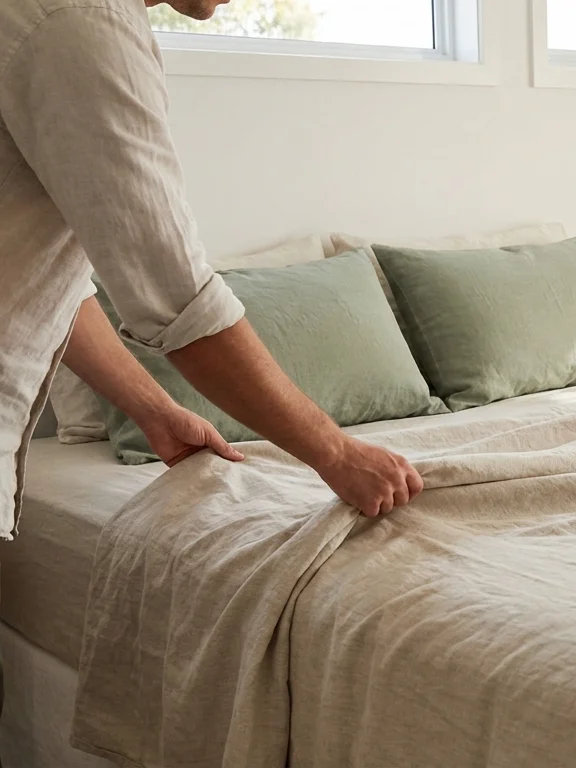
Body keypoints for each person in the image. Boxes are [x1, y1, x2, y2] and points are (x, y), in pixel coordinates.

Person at [0, 0, 425, 538]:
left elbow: (44, 287)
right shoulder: (79, 20)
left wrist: (153, 408)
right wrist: (337, 453)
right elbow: (179, 298)